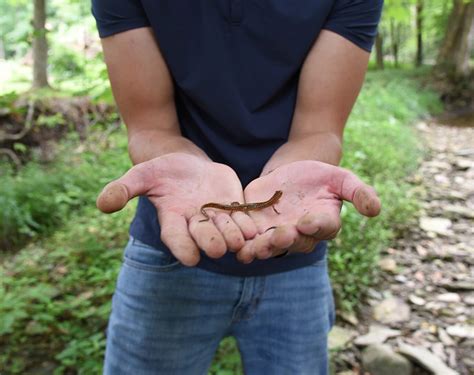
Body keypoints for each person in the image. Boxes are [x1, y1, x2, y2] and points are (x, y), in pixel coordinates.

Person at [92, 1, 384, 374]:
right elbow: (150, 126)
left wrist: (291, 187)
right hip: (167, 246)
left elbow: (320, 129)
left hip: (296, 264)